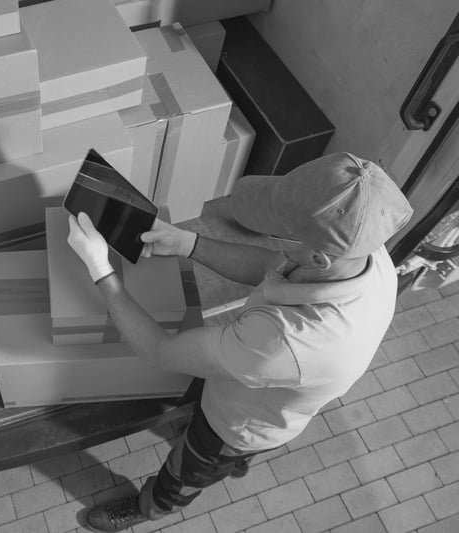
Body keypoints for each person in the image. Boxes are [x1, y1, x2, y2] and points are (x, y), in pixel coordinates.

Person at [65, 152, 413, 532]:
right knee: (221, 439)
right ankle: (236, 462)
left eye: (281, 233)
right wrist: (187, 243)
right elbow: (271, 267)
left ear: (317, 258)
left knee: (186, 472)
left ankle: (150, 506)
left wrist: (100, 269)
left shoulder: (285, 342)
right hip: (265, 393)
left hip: (231, 426)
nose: (274, 237)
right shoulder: (366, 249)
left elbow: (159, 351)